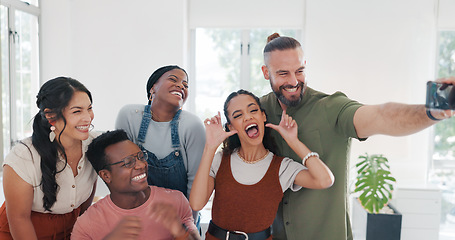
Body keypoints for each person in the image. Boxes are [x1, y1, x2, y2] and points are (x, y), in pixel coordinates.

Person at [259, 33, 455, 240]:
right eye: (283, 73)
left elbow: (381, 116)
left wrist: (433, 112)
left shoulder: (331, 107)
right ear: (265, 72)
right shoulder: (258, 111)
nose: (293, 81)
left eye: (299, 71)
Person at [189, 89, 334, 240]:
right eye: (238, 115)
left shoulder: (282, 167)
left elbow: (325, 180)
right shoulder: (219, 160)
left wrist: (293, 141)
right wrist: (210, 148)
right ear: (231, 127)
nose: (248, 117)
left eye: (253, 110)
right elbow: (196, 204)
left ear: (263, 115)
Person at [0, 77, 98, 240]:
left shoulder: (95, 145)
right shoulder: (23, 157)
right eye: (77, 111)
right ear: (51, 116)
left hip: (70, 229)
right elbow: (19, 219)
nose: (88, 117)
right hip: (18, 231)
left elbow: (87, 199)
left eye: (89, 108)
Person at [115, 65, 205, 227]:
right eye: (173, 79)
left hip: (181, 219)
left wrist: (187, 228)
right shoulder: (129, 116)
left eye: (185, 85)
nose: (181, 86)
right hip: (137, 217)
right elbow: (122, 175)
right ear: (152, 88)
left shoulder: (192, 125)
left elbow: (195, 183)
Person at [71, 129, 200, 240]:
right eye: (128, 162)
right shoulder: (87, 224)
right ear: (106, 175)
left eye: (141, 156)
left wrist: (180, 231)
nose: (141, 165)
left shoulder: (176, 201)